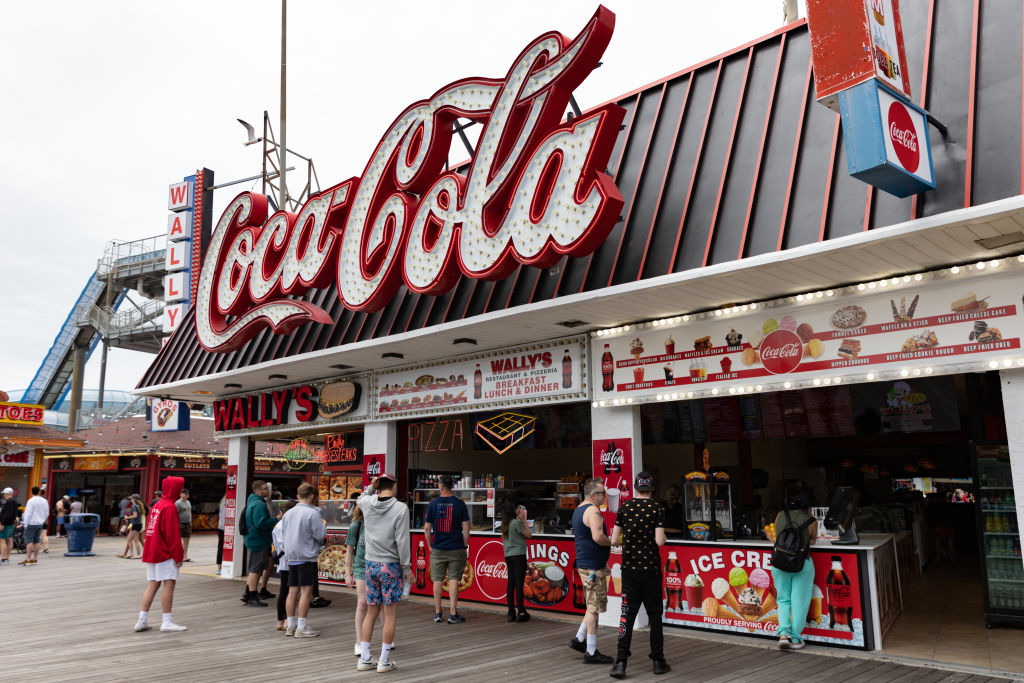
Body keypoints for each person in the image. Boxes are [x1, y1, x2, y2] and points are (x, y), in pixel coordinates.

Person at [609, 471, 670, 678]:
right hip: (651, 571)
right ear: (651, 489)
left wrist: (629, 538)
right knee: (654, 616)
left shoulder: (625, 507)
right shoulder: (657, 508)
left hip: (629, 571)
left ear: (635, 488)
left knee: (626, 615)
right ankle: (658, 661)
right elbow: (660, 541)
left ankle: (620, 662)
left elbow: (614, 539)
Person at [355, 473, 411, 673]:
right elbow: (402, 541)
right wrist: (407, 568)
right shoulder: (400, 508)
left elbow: (359, 498)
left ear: (379, 485)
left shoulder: (368, 503)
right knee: (390, 613)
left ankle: (365, 657)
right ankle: (384, 660)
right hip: (391, 566)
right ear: (394, 485)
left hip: (370, 564)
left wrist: (371, 487)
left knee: (371, 611)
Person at [569, 477, 613, 664]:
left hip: (588, 563)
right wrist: (613, 541)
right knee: (594, 608)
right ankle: (591, 651)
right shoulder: (593, 511)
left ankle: (579, 639)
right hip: (593, 566)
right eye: (603, 493)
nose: (605, 496)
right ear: (594, 494)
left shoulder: (578, 510)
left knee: (591, 604)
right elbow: (598, 537)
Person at [134, 476, 187, 633]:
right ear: (175, 488)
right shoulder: (170, 507)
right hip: (165, 552)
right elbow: (172, 535)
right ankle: (167, 621)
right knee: (169, 584)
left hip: (153, 550)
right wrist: (178, 555)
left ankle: (141, 620)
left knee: (153, 584)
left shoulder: (158, 505)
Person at [771, 489, 817, 650]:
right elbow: (813, 541)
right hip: (801, 564)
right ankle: (796, 639)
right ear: (807, 507)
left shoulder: (779, 515)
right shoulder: (811, 520)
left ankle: (783, 635)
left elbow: (776, 535)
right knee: (799, 602)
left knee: (783, 599)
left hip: (779, 562)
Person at [280, 483, 327, 637]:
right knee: (306, 591)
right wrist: (323, 526)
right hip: (307, 556)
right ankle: (302, 626)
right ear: (312, 496)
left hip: (292, 556)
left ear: (298, 495)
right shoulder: (312, 514)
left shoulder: (288, 513)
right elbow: (320, 536)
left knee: (292, 591)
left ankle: (291, 625)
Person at [423, 474, 470, 624]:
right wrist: (464, 545)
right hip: (456, 547)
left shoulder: (432, 504)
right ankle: (453, 613)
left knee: (437, 579)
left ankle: (437, 613)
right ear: (452, 487)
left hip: (438, 547)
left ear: (441, 486)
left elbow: (426, 528)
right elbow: (466, 527)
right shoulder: (460, 504)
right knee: (454, 579)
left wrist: (430, 545)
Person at [242, 480, 277, 607]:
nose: (267, 491)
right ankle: (252, 596)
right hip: (258, 540)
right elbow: (261, 524)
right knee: (255, 569)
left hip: (255, 539)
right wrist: (276, 519)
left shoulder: (253, 502)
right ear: (257, 491)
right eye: (264, 489)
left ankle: (248, 593)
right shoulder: (259, 505)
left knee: (257, 567)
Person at [501, 500, 532, 622]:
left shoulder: (505, 523)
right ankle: (521, 611)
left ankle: (510, 612)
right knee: (519, 584)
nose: (520, 510)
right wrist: (524, 521)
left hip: (508, 555)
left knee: (511, 583)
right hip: (519, 554)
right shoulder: (516, 523)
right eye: (519, 507)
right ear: (514, 509)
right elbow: (529, 535)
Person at [345, 505, 369, 656]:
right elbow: (349, 551)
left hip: (378, 565)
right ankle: (359, 641)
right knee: (362, 602)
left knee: (381, 603)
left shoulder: (379, 523)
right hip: (361, 566)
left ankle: (388, 638)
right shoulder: (357, 525)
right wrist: (348, 573)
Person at [272, 501, 297, 632]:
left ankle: (284, 619)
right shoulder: (282, 526)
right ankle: (283, 619)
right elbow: (283, 545)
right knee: (286, 591)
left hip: (289, 561)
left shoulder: (284, 524)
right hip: (287, 561)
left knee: (287, 591)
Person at [20, 486, 49, 565]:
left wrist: (25, 523)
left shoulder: (31, 501)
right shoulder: (44, 501)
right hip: (39, 523)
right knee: (37, 541)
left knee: (29, 541)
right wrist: (42, 520)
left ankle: (28, 559)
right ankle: (35, 559)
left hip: (31, 523)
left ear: (31, 492)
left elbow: (28, 513)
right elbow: (47, 513)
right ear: (39, 492)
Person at [0, 487, 19, 566]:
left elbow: (7, 514)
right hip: (11, 523)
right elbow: (13, 513)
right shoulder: (14, 501)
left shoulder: (9, 502)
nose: (3, 495)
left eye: (4, 493)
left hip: (6, 523)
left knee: (2, 540)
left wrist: (2, 523)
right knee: (9, 539)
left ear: (7, 494)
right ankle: (7, 558)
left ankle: (3, 559)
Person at [175, 488, 192, 562]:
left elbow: (190, 512)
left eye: (187, 494)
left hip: (187, 523)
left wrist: (190, 521)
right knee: (178, 540)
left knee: (186, 540)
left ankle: (185, 555)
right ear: (181, 494)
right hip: (180, 523)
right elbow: (175, 514)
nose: (187, 495)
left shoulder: (188, 502)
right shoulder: (178, 503)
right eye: (185, 493)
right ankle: (178, 555)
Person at [216, 495, 227, 573]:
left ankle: (219, 566)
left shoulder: (223, 501)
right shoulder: (226, 501)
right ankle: (219, 566)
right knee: (221, 546)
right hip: (224, 527)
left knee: (220, 546)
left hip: (221, 527)